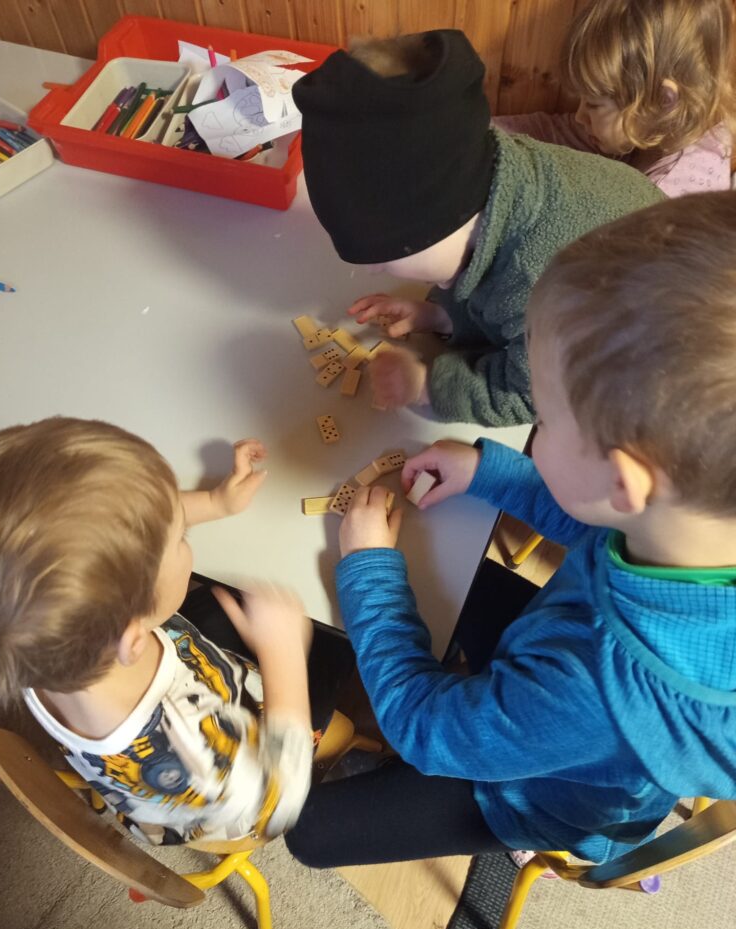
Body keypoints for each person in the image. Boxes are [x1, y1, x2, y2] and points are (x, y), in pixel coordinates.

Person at [285, 191, 736, 869]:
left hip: (540, 796)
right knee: (463, 589)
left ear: (624, 481)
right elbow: (598, 528)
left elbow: (424, 728)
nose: (534, 430)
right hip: (567, 660)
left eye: (544, 421)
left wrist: (370, 572)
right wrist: (491, 473)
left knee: (310, 836)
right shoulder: (697, 520)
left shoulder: (591, 688)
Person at [0, 418, 347, 846]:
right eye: (181, 538)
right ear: (132, 637)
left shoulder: (26, 633)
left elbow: (122, 528)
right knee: (332, 652)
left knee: (225, 607)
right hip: (239, 786)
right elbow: (280, 801)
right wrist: (284, 654)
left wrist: (215, 502)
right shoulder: (191, 753)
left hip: (188, 694)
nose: (186, 539)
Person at [292, 29, 662, 427]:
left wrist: (427, 388)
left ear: (438, 222)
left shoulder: (538, 283)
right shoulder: (492, 179)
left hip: (647, 373)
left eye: (384, 255)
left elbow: (531, 394)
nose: (372, 270)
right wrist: (441, 315)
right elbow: (479, 269)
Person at [494, 0, 734, 198]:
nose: (579, 117)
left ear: (662, 100)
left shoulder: (674, 195)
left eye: (593, 104)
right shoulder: (652, 124)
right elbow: (554, 131)